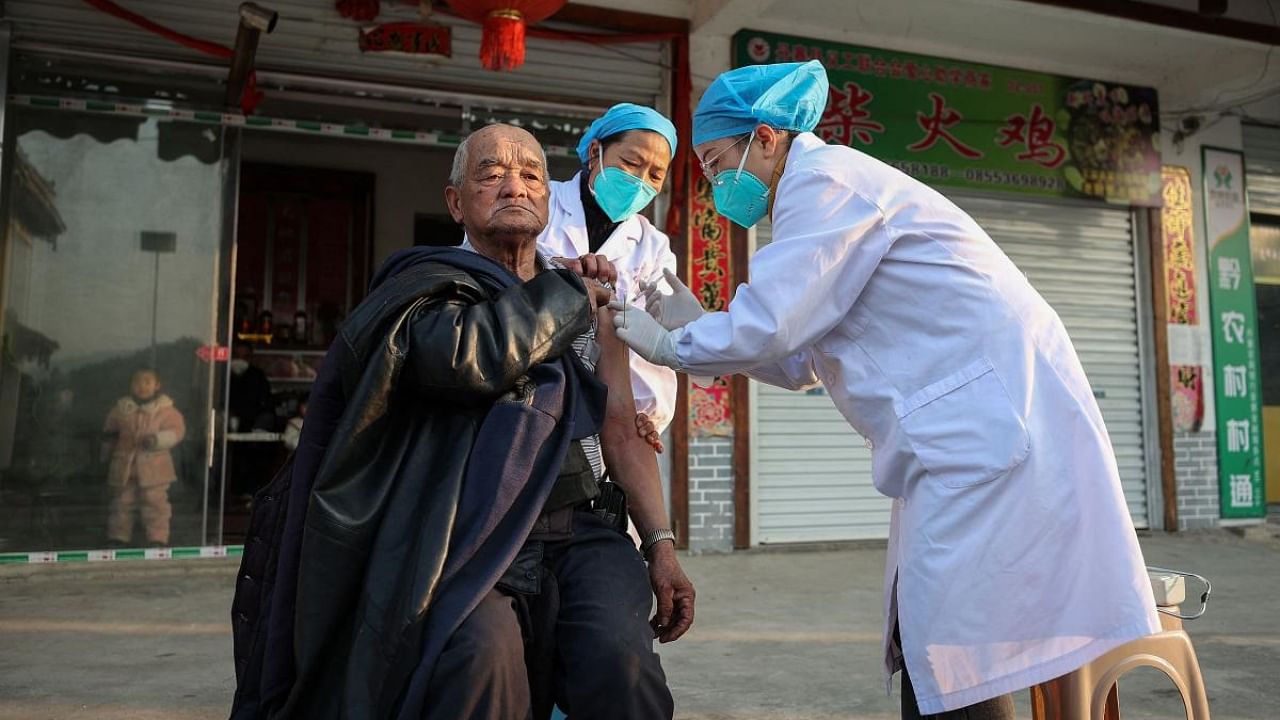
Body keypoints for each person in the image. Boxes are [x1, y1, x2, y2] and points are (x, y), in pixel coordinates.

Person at [612, 60, 1160, 718]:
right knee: (941, 643)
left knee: (951, 649)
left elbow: (772, 326)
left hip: (984, 434)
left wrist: (672, 343)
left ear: (764, 138)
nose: (714, 182)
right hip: (961, 436)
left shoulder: (826, 184)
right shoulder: (814, 202)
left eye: (714, 161)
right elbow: (797, 361)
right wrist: (686, 317)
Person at [230, 124, 693, 720]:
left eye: (530, 174)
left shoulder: (586, 295)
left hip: (579, 525)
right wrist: (566, 294)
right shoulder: (428, 288)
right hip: (462, 533)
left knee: (622, 664)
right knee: (479, 663)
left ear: (548, 202)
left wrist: (660, 544)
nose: (514, 186)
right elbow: (461, 358)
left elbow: (622, 428)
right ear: (455, 202)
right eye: (491, 173)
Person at [539, 103, 681, 451]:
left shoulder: (653, 247)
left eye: (655, 174)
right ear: (594, 151)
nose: (640, 181)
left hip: (604, 419)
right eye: (631, 163)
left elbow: (652, 342)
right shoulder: (540, 202)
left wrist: (649, 413)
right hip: (532, 393)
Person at [102, 368, 186, 547]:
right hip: (125, 466)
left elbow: (177, 431)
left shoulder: (166, 410)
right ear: (131, 385)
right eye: (137, 382)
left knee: (155, 504)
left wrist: (157, 440)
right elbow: (109, 433)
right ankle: (118, 537)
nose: (142, 386)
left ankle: (157, 538)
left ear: (157, 385)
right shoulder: (121, 409)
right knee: (122, 503)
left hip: (155, 469)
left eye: (147, 382)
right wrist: (105, 456)